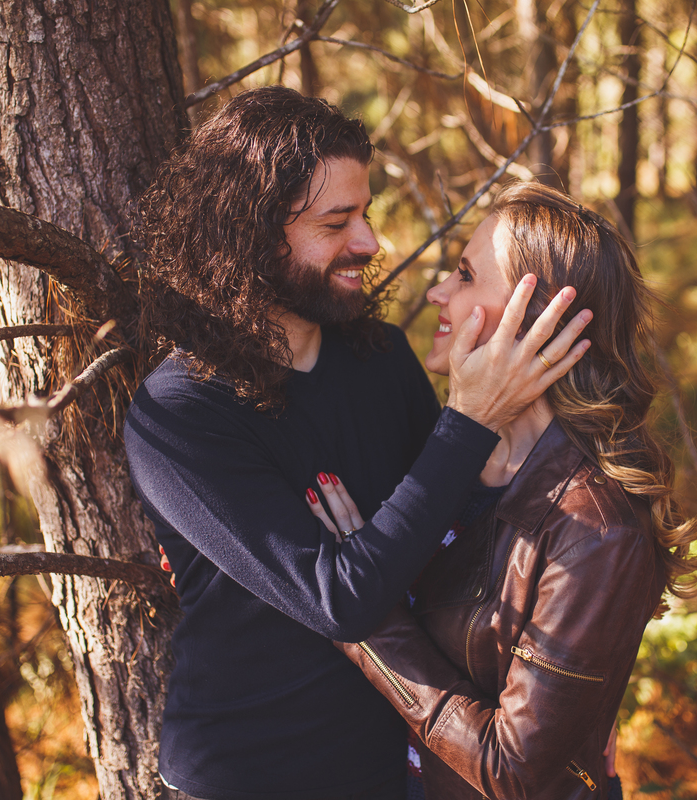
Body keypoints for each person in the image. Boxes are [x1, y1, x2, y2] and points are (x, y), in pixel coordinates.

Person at [124, 87, 592, 800]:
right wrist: (468, 421)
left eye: (365, 214)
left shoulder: (378, 355)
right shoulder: (180, 414)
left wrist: (576, 687)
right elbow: (341, 601)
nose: (370, 243)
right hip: (253, 776)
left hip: (404, 757)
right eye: (337, 222)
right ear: (249, 234)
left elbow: (453, 543)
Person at [308, 183, 697, 799]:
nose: (438, 292)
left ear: (537, 321)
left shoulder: (596, 529)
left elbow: (512, 771)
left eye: (466, 276)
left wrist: (361, 620)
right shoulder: (449, 463)